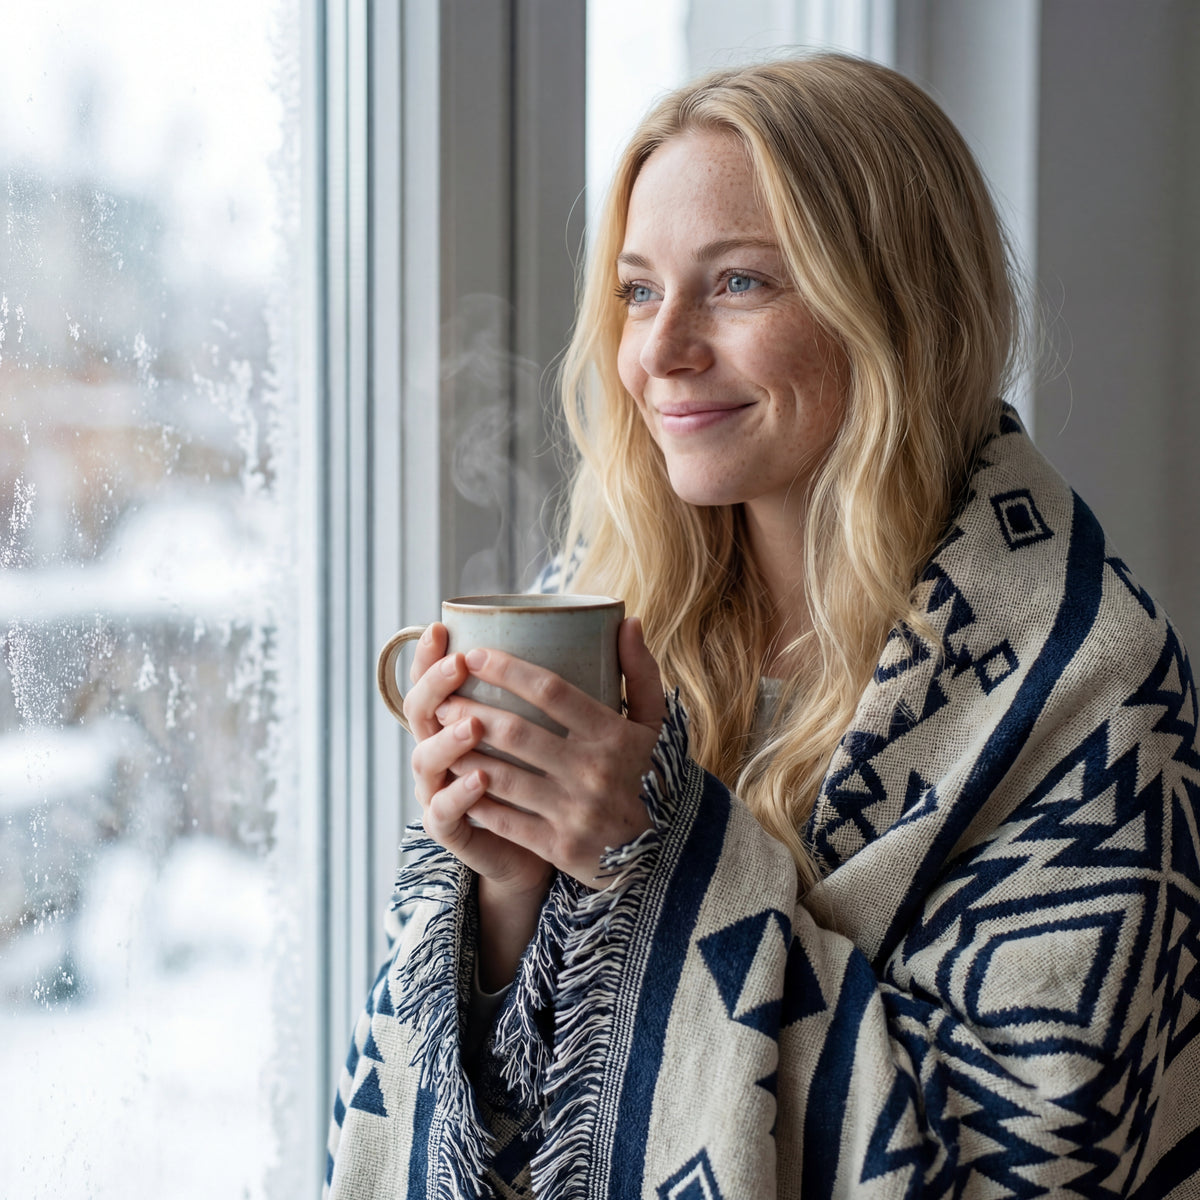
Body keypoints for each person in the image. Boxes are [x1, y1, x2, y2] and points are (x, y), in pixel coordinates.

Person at [325, 53, 1200, 1198]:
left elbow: (1026, 1164)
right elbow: (435, 1095)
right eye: (639, 291)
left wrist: (648, 859)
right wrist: (502, 895)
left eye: (738, 284)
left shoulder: (1089, 688)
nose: (661, 350)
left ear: (895, 302)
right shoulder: (604, 612)